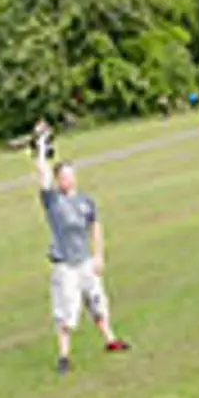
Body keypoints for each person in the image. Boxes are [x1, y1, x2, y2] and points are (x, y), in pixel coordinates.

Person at [32, 123, 132, 374]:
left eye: (70, 175)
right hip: (65, 265)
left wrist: (98, 256)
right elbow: (42, 174)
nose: (67, 179)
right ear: (58, 180)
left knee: (98, 303)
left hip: (85, 262)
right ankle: (64, 356)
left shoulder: (85, 202)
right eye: (62, 176)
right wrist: (42, 147)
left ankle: (110, 340)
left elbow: (95, 227)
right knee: (66, 312)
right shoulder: (52, 201)